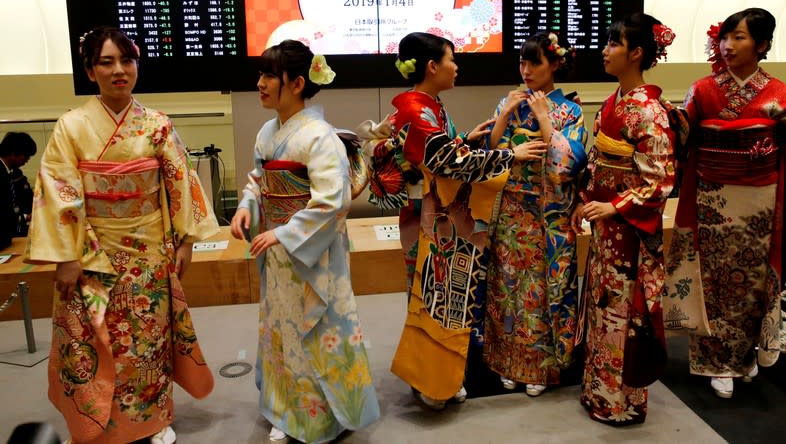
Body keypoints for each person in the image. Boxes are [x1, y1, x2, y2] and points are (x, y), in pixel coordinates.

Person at [24, 26, 219, 444]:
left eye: (126, 61)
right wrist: (66, 256)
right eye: (107, 62)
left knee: (148, 340)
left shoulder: (157, 125)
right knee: (100, 340)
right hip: (92, 252)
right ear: (90, 71)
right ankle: (101, 423)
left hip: (149, 253)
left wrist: (186, 241)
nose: (119, 71)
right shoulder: (71, 126)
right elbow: (59, 190)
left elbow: (179, 181)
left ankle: (153, 419)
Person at [360, 31, 540, 410]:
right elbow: (446, 162)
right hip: (427, 219)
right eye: (451, 60)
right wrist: (512, 155)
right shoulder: (416, 109)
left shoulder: (429, 105)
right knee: (434, 297)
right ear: (432, 66)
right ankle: (430, 380)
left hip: (434, 214)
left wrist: (468, 139)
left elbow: (446, 150)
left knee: (437, 297)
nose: (457, 67)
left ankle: (433, 374)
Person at [230, 40, 380, 444]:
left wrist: (281, 231)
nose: (259, 83)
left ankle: (325, 417)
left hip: (313, 253)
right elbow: (258, 180)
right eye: (260, 74)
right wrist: (246, 204)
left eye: (268, 76)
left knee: (318, 331)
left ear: (296, 83)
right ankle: (286, 410)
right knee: (283, 330)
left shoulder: (319, 137)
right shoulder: (267, 131)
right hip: (277, 250)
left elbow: (333, 200)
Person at [664, 8, 786, 399]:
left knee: (754, 282)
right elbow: (684, 140)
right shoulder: (703, 89)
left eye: (739, 37)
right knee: (713, 280)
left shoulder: (781, 94)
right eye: (725, 37)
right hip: (712, 198)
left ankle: (745, 355)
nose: (728, 45)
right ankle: (715, 362)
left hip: (760, 200)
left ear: (762, 45)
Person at [571, 13, 677, 425]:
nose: (605, 49)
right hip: (606, 226)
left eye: (614, 43)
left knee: (624, 313)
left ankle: (622, 401)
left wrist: (616, 205)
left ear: (636, 53)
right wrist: (586, 199)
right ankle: (599, 393)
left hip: (630, 231)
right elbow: (598, 163)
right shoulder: (615, 103)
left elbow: (660, 178)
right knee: (601, 307)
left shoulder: (649, 111)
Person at [482, 32, 588, 398]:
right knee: (506, 287)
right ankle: (506, 360)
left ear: (555, 64)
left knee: (543, 292)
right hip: (511, 210)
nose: (526, 70)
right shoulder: (508, 101)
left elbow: (570, 163)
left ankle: (541, 367)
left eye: (535, 63)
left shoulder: (570, 110)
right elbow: (489, 152)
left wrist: (545, 120)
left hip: (548, 215)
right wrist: (506, 114)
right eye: (522, 63)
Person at [0, 131, 37, 247]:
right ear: (13, 153)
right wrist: (23, 216)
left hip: (12, 234)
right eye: (26, 156)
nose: (27, 161)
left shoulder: (13, 173)